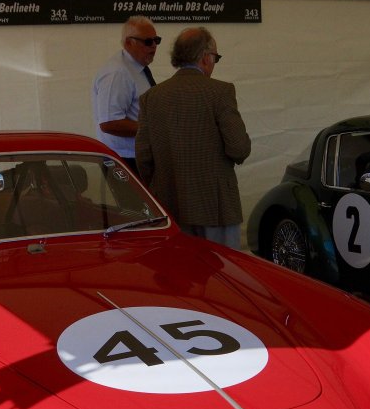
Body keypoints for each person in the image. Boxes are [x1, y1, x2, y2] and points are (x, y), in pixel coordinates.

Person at [135, 27, 251, 249]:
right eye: (216, 57)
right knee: (223, 275)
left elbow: (143, 156)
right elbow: (239, 149)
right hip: (216, 208)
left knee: (181, 276)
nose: (214, 63)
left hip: (170, 205)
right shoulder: (220, 91)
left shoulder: (151, 98)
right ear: (205, 57)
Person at [92, 16, 160, 173]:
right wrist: (153, 128)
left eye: (157, 40)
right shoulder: (118, 73)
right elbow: (109, 123)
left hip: (136, 156)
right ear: (130, 42)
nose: (154, 46)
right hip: (124, 160)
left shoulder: (136, 68)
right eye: (148, 42)